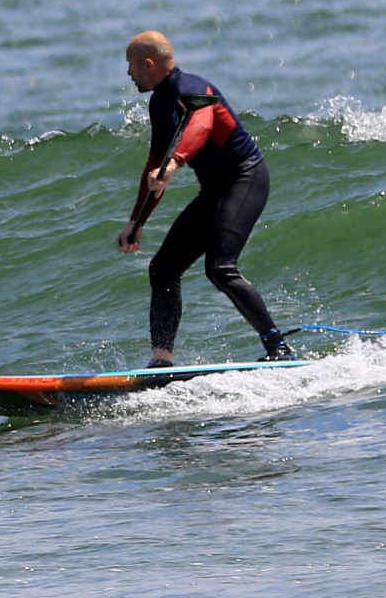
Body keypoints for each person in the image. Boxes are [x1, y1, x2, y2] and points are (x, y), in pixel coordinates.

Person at [117, 31, 294, 367]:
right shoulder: (159, 103)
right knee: (163, 269)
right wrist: (136, 221)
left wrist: (175, 164)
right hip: (214, 191)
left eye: (131, 66)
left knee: (220, 267)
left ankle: (278, 347)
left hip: (245, 178)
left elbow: (201, 124)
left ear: (148, 64)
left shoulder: (194, 89)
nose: (129, 74)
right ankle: (161, 361)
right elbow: (155, 162)